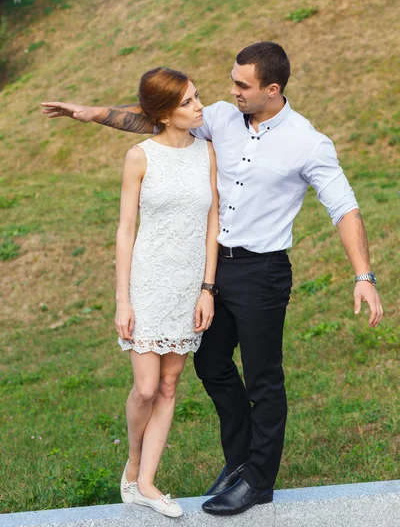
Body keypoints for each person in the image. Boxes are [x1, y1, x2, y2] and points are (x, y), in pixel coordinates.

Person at [41, 41, 383, 517]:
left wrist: (362, 275)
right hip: (208, 268)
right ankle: (239, 459)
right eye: (231, 81)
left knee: (264, 378)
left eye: (241, 85)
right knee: (211, 364)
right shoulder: (221, 117)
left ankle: (258, 481)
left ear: (272, 89)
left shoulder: (308, 142)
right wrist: (89, 113)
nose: (231, 91)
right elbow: (154, 119)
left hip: (262, 271)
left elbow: (344, 206)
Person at [56, 67, 219, 518]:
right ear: (164, 114)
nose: (199, 106)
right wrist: (122, 299)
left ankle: (147, 482)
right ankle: (131, 469)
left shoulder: (207, 152)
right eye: (188, 102)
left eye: (197, 97)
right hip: (148, 283)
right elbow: (126, 230)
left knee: (169, 385)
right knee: (146, 388)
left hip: (189, 285)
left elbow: (212, 226)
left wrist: (207, 288)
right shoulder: (139, 156)